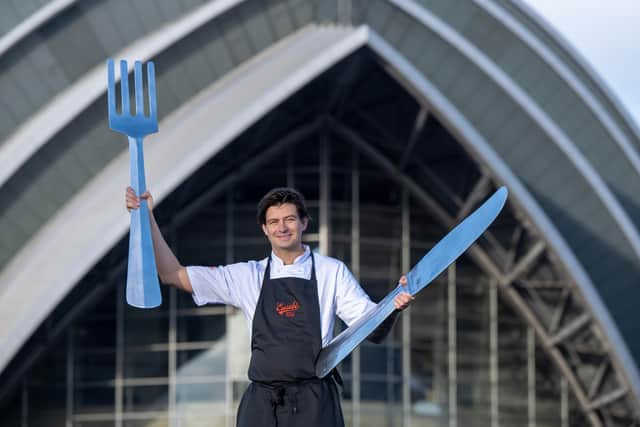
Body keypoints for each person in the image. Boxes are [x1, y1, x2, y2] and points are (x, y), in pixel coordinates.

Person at [125, 186, 414, 426]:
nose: (282, 227)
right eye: (274, 222)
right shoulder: (247, 275)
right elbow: (172, 274)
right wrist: (146, 217)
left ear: (304, 223)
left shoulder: (331, 271)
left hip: (315, 404)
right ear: (265, 229)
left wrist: (392, 307)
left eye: (289, 219)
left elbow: (371, 328)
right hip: (261, 406)